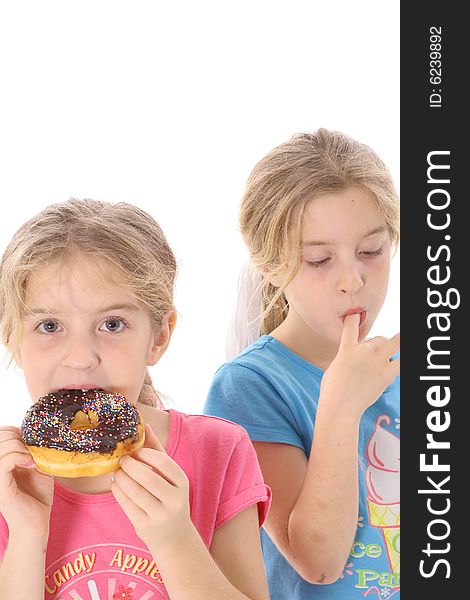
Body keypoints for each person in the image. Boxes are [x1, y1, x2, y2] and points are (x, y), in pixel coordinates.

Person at [0, 198, 271, 600]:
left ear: (159, 337)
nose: (80, 357)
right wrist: (25, 536)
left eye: (112, 324)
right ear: (13, 338)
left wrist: (175, 541)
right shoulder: (8, 479)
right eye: (49, 325)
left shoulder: (219, 452)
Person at [204, 129, 400, 599]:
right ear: (271, 267)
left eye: (371, 252)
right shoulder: (248, 386)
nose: (353, 280)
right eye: (319, 260)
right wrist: (341, 401)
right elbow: (318, 561)